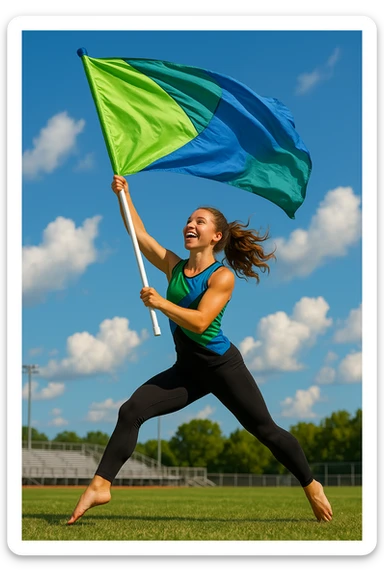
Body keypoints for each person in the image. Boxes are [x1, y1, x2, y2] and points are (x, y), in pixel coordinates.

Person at [67, 175, 333, 525]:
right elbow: (140, 234)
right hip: (188, 370)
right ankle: (101, 485)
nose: (190, 225)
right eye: (189, 220)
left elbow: (201, 322)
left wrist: (161, 304)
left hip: (222, 367)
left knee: (266, 431)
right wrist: (124, 194)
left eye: (199, 222)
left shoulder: (221, 277)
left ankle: (312, 486)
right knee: (130, 410)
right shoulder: (174, 267)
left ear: (215, 236)